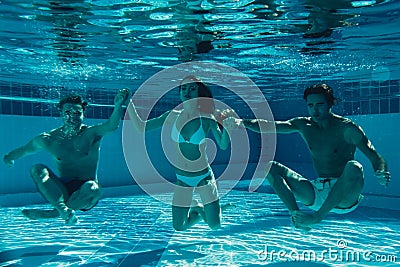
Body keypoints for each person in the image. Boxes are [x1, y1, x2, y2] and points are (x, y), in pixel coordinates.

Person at [225, 83, 390, 230]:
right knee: (270, 167)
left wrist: (381, 171)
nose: (315, 110)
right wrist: (242, 123)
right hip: (317, 192)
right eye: (311, 105)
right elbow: (270, 126)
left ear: (330, 104)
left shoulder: (347, 128)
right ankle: (297, 217)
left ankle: (316, 218)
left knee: (354, 166)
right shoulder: (304, 125)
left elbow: (375, 156)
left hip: (345, 196)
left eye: (320, 104)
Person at [3, 89, 130, 224]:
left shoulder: (91, 133)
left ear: (83, 115)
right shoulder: (48, 139)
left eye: (77, 113)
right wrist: (9, 158)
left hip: (86, 194)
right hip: (61, 189)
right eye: (68, 113)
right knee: (37, 169)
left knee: (93, 187)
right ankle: (62, 210)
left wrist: (118, 106)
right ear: (61, 114)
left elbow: (112, 126)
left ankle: (53, 213)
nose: (72, 117)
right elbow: (24, 150)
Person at [127, 75, 233, 231]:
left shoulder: (207, 118)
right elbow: (141, 127)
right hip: (182, 178)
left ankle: (208, 212)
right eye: (184, 88)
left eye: (192, 89)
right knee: (179, 226)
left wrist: (228, 128)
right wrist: (128, 102)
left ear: (199, 94)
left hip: (204, 176)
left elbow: (223, 145)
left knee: (215, 226)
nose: (187, 92)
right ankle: (197, 211)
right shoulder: (173, 115)